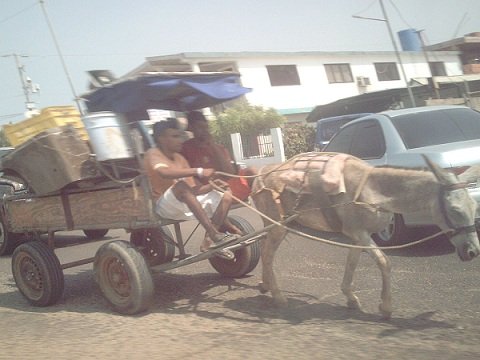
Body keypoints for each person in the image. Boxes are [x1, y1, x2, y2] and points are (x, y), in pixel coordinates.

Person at [144, 118, 239, 260]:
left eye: (180, 136)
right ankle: (215, 234)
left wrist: (212, 186)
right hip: (162, 206)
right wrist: (198, 171)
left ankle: (209, 240)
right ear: (161, 139)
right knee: (181, 186)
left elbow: (193, 190)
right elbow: (164, 173)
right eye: (175, 136)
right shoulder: (153, 154)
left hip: (183, 202)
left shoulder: (180, 158)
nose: (180, 140)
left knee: (225, 193)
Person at [181, 111, 256, 203]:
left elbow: (230, 172)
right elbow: (188, 177)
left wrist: (212, 145)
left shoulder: (218, 147)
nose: (204, 131)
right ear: (191, 128)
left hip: (229, 184)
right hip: (209, 189)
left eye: (206, 127)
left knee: (253, 170)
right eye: (200, 127)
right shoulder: (185, 149)